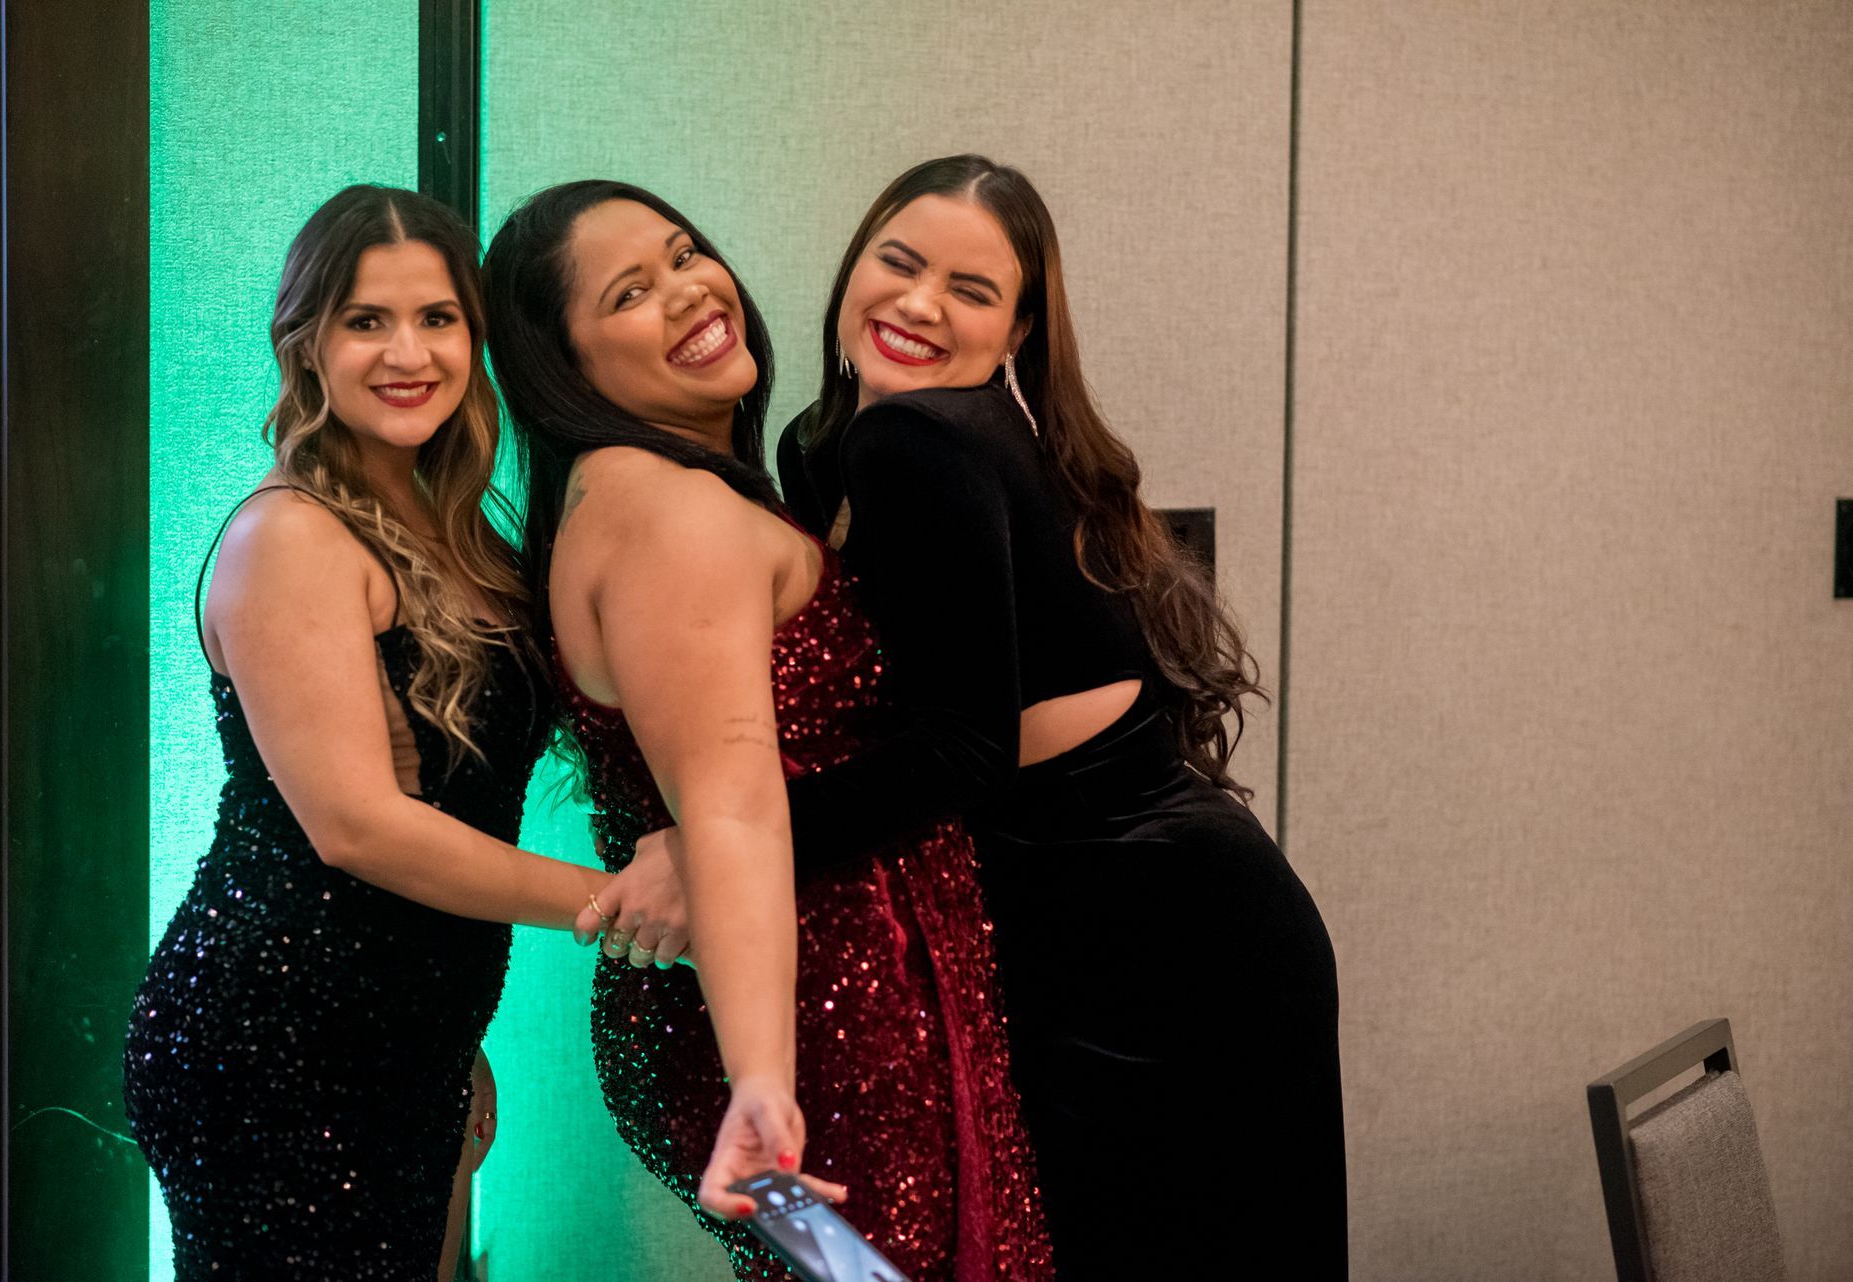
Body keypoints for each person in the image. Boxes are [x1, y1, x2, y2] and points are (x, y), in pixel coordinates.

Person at [643, 153, 1347, 1274]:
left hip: (1157, 937)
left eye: (971, 292)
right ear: (851, 268)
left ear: (1015, 334)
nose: (919, 305)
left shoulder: (912, 442)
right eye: (898, 262)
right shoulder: (826, 448)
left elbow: (960, 750)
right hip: (1124, 911)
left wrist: (723, 852)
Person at [482, 180, 1052, 1281]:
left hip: (819, 997)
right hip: (823, 1012)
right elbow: (730, 804)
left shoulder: (654, 491)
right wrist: (762, 1078)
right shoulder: (671, 513)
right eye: (631, 295)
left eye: (686, 252)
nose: (693, 290)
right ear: (567, 367)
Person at [122, 185, 627, 1280]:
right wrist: (611, 902)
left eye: (438, 318)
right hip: (273, 1042)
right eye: (367, 320)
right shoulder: (291, 537)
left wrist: (448, 1039)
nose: (410, 352)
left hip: (403, 1036)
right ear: (307, 346)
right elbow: (358, 828)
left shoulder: (459, 532)